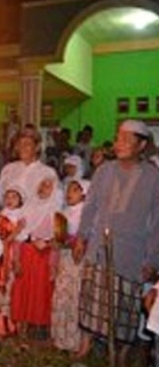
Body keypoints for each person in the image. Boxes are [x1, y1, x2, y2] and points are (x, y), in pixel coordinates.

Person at [73, 120, 159, 365]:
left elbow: (157, 223)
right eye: (118, 138)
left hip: (132, 250)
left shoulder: (153, 177)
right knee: (92, 298)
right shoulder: (105, 170)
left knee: (125, 304)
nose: (119, 144)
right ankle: (87, 344)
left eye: (126, 140)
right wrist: (82, 236)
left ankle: (121, 352)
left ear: (141, 145)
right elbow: (90, 208)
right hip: (100, 244)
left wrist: (152, 259)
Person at [0, 128, 60, 338]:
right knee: (8, 280)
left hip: (36, 239)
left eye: (28, 144)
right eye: (20, 144)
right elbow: (2, 200)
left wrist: (39, 236)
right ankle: (8, 323)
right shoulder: (8, 169)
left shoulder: (46, 172)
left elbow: (52, 206)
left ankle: (36, 325)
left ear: (37, 147)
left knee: (35, 283)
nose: (23, 148)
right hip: (10, 235)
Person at [51, 179, 89, 354]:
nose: (69, 193)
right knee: (62, 296)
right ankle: (60, 339)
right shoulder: (64, 212)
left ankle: (74, 342)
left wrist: (73, 241)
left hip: (78, 261)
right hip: (65, 259)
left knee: (75, 298)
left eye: (75, 190)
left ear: (84, 193)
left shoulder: (87, 214)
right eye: (69, 189)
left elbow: (87, 238)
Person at [0, 187, 26, 337]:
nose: (10, 199)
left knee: (10, 285)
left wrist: (16, 232)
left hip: (11, 255)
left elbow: (18, 239)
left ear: (20, 201)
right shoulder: (0, 215)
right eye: (8, 196)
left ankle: (10, 319)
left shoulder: (21, 218)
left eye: (14, 197)